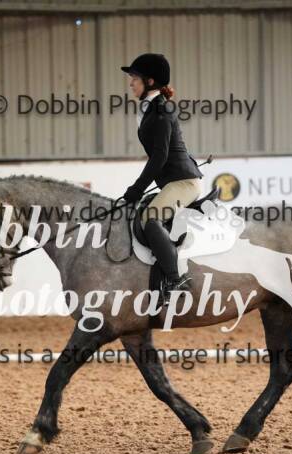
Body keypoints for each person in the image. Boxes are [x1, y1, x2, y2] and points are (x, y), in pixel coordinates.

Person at [121, 53, 203, 305]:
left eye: (135, 79)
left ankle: (176, 279)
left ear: (150, 81)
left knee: (150, 218)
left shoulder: (162, 110)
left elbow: (159, 157)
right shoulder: (150, 109)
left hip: (184, 183)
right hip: (173, 182)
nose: (130, 83)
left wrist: (137, 188)